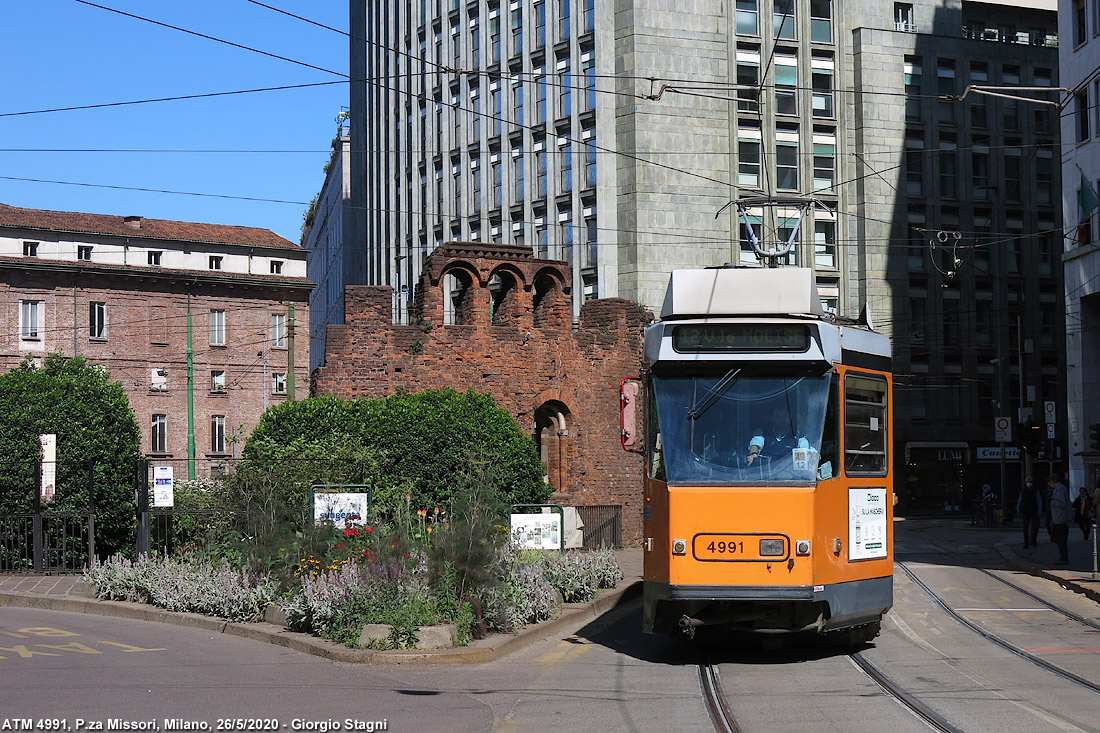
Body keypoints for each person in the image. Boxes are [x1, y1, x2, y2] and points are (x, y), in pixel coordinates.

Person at [1047, 474, 1071, 565]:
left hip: (1060, 518)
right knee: (1058, 538)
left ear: (1053, 481)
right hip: (1057, 518)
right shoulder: (1057, 488)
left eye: (1049, 481)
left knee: (1061, 539)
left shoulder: (1060, 488)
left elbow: (1062, 503)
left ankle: (1064, 558)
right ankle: (1063, 557)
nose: (1049, 484)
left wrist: (1052, 502)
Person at [1017, 476, 1042, 549]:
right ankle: (1026, 543)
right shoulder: (1023, 491)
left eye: (1030, 482)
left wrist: (1039, 510)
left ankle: (1034, 540)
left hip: (1034, 511)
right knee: (1025, 528)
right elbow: (1020, 500)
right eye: (1027, 482)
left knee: (1035, 527)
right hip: (1025, 511)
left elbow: (1039, 501)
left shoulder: (1035, 491)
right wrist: (1018, 509)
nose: (1029, 483)